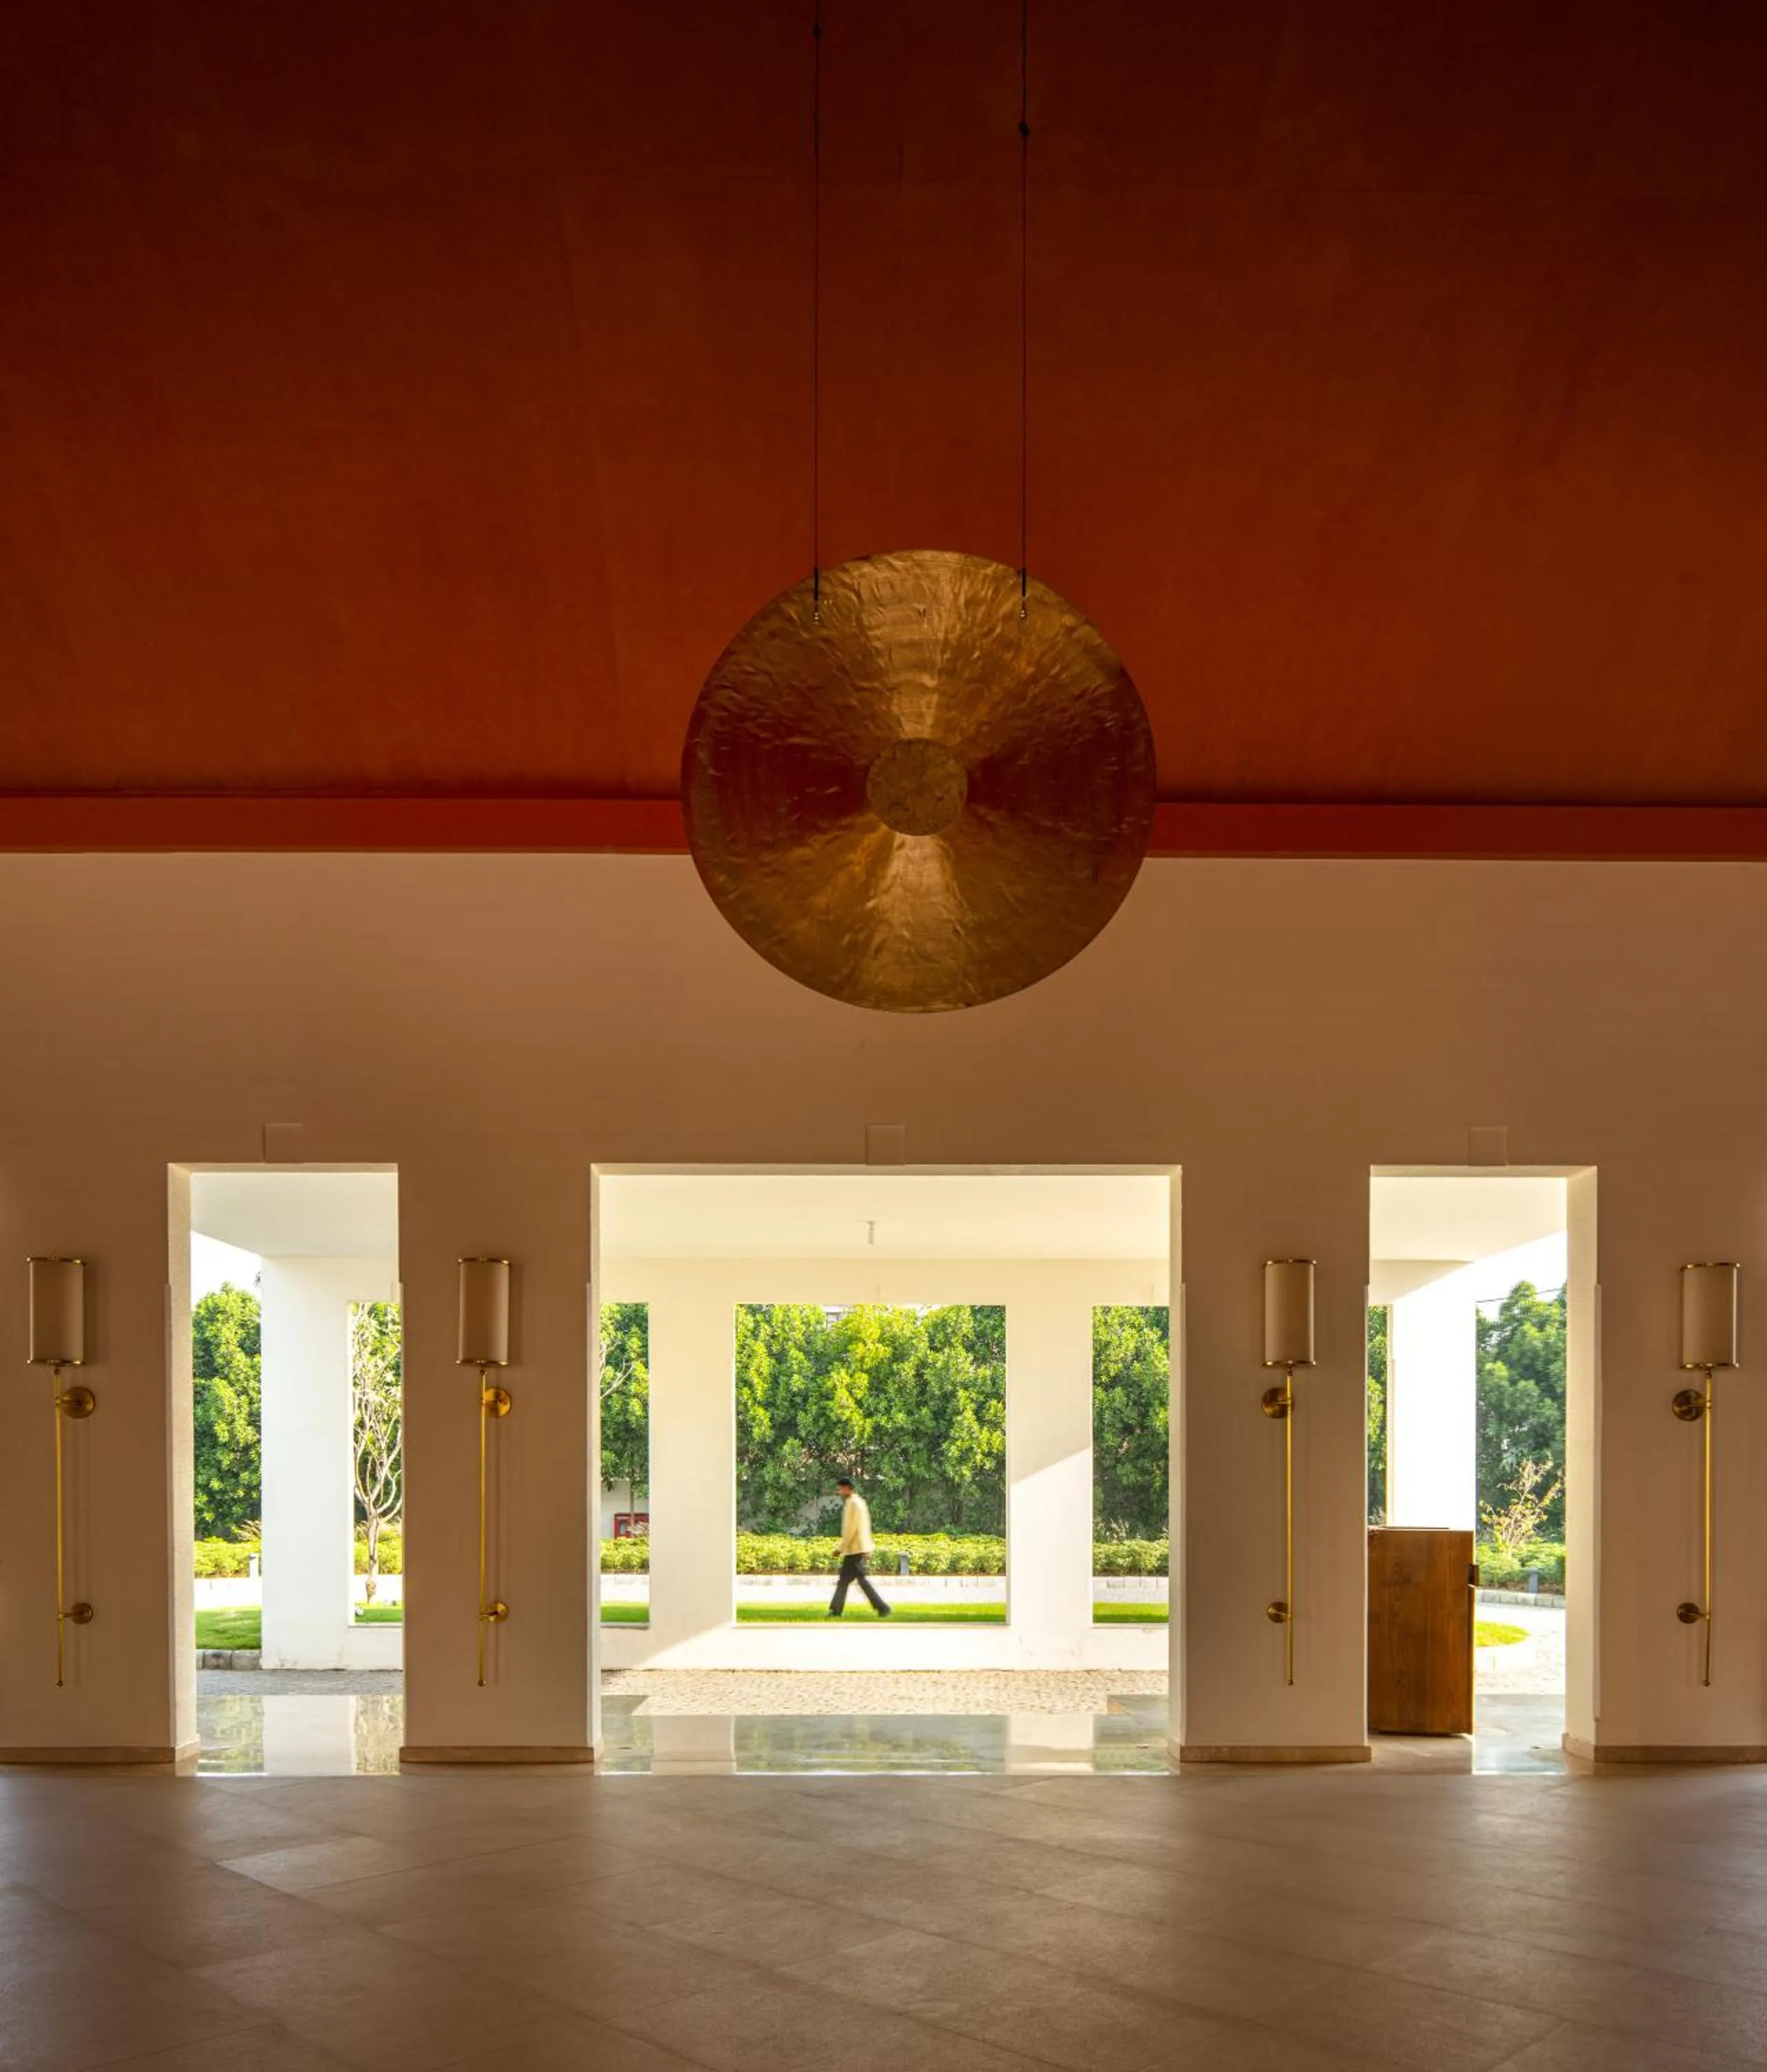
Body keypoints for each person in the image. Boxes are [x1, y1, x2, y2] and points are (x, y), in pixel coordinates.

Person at [827, 1476, 892, 1618]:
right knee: (848, 1581)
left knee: (856, 1581)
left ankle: (882, 1608)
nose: (839, 1492)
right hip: (860, 1548)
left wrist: (840, 1548)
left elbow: (851, 1529)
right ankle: (837, 1610)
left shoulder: (853, 1504)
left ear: (847, 1489)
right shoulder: (860, 1502)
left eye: (840, 1489)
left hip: (855, 1549)